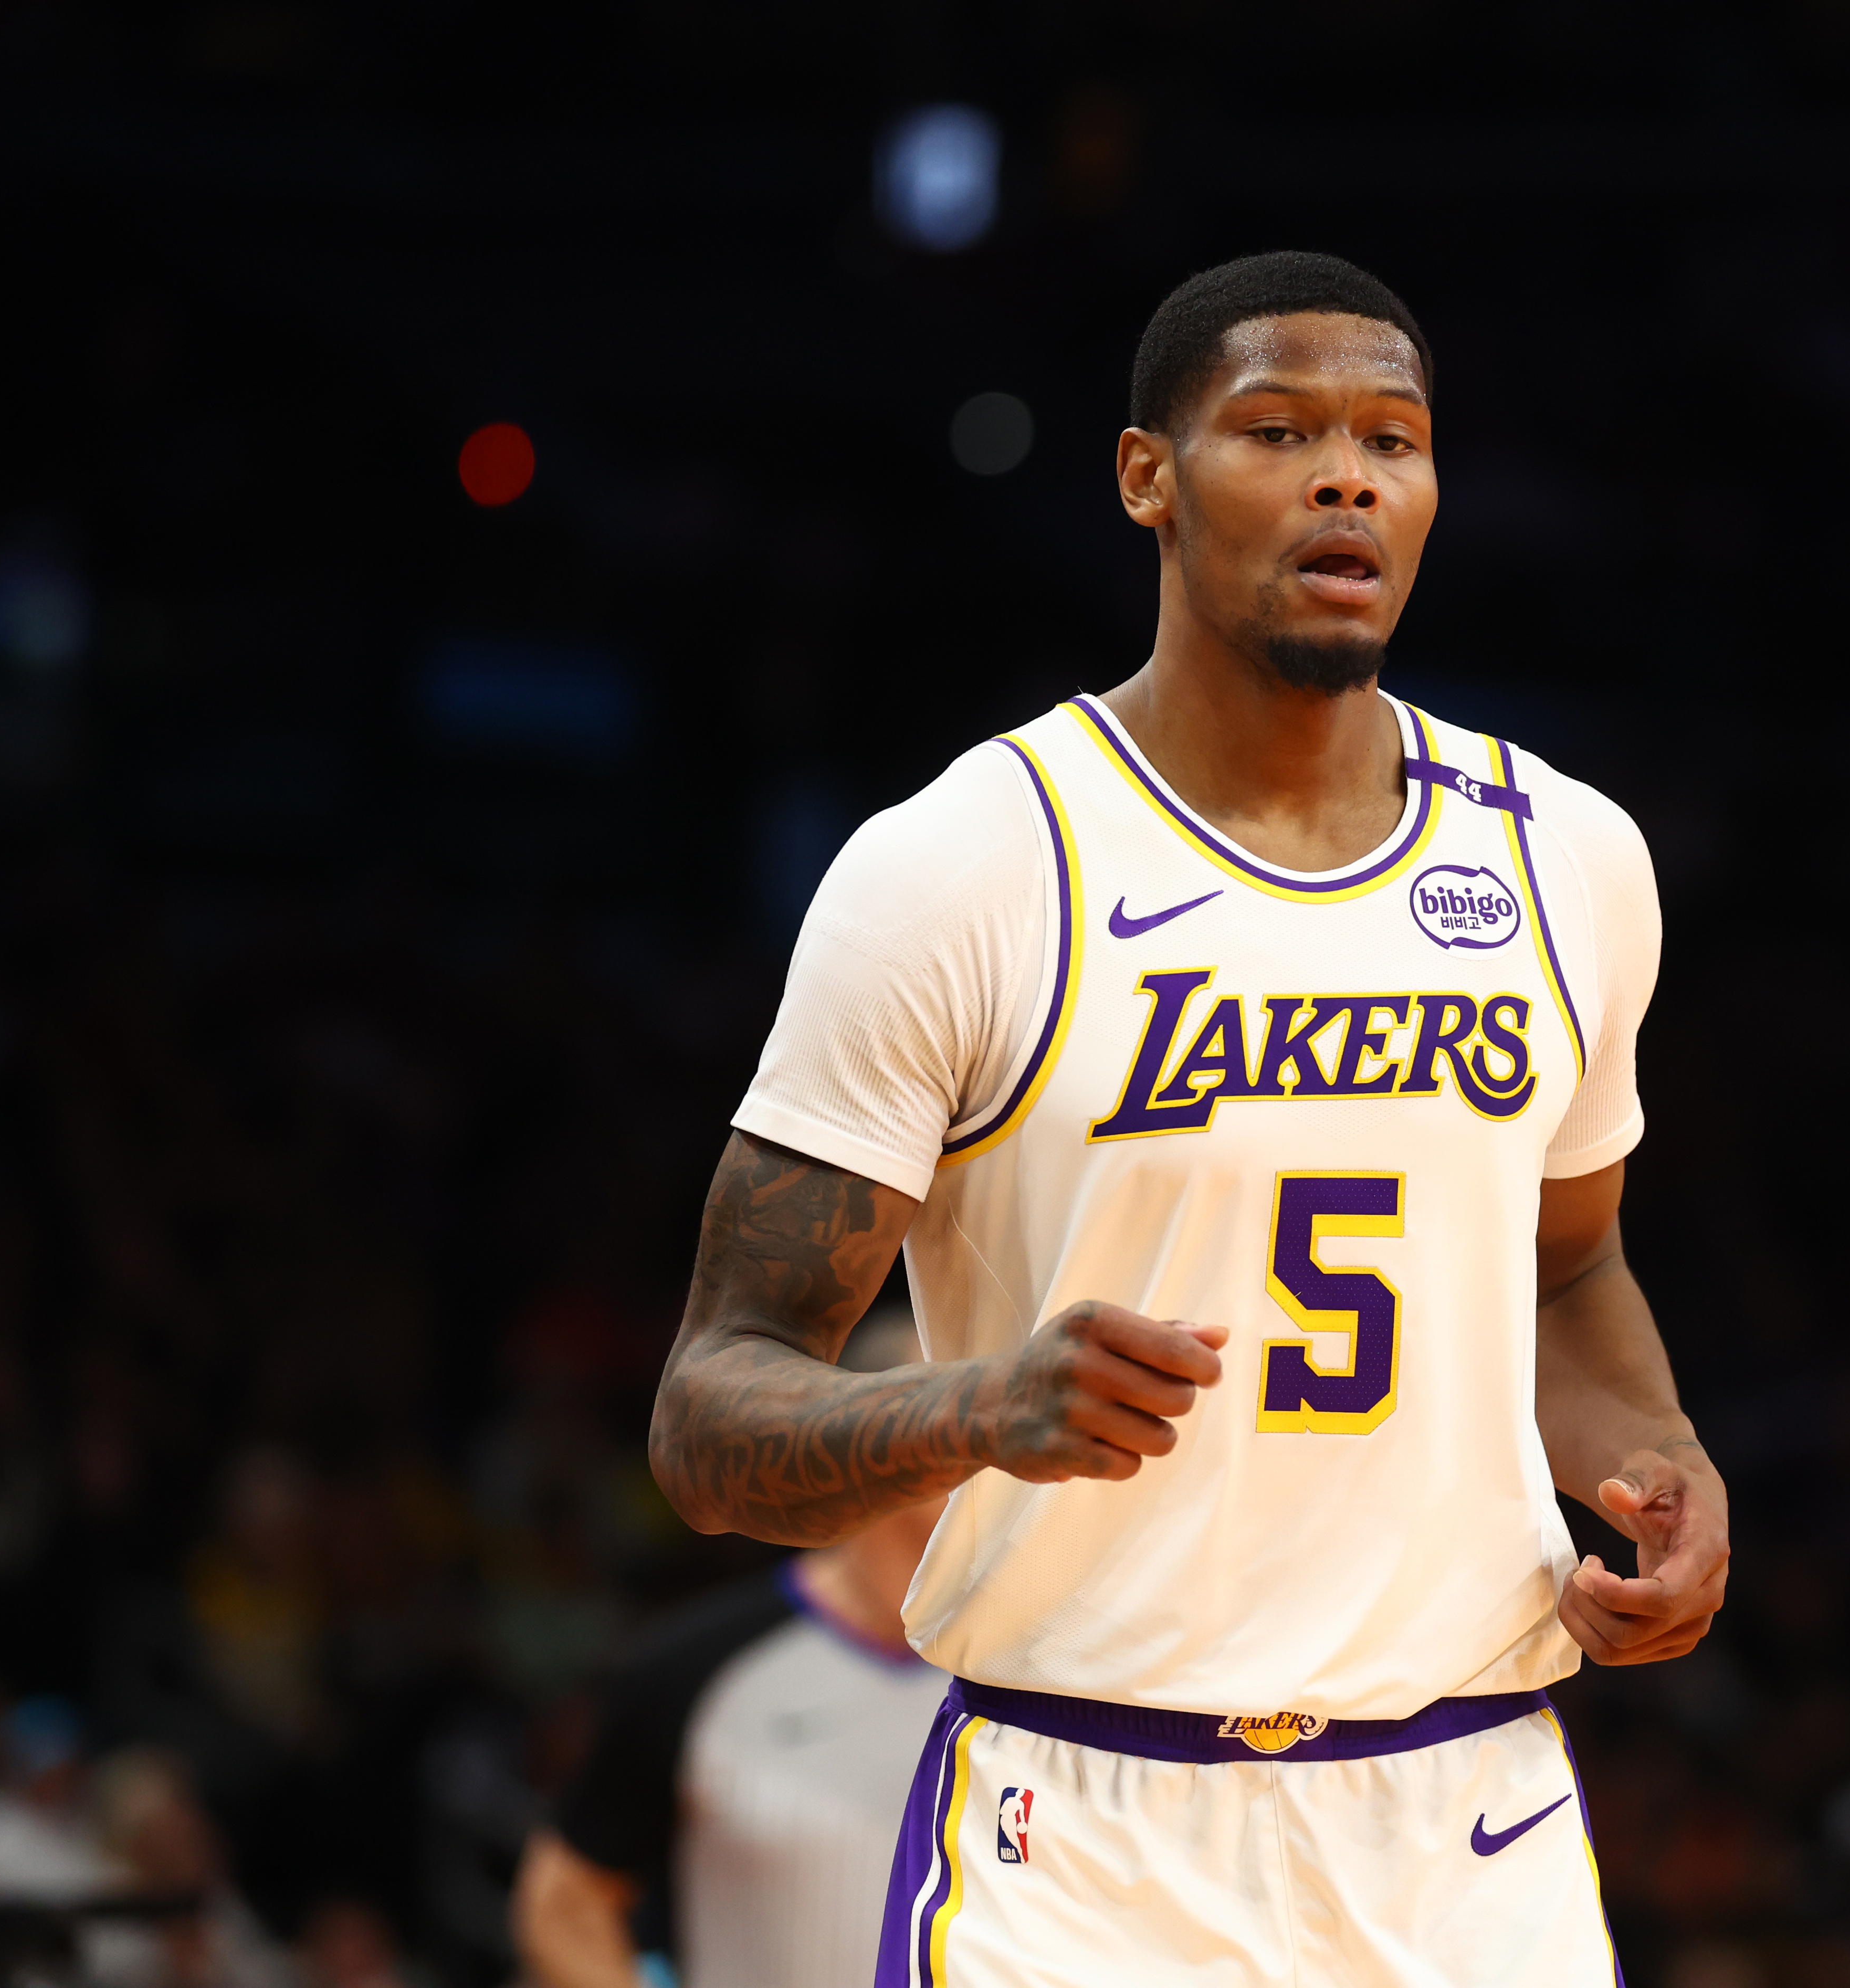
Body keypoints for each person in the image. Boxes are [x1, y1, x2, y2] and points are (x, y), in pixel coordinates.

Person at [648, 249, 1729, 1985]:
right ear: (1146, 475)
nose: (1346, 476)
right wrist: (976, 1402)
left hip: (1465, 1823)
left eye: (1395, 438)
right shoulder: (965, 866)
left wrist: (1659, 1463)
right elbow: (709, 1419)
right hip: (1084, 1828)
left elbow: (1561, 1266)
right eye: (1278, 429)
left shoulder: (1566, 857)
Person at [516, 1314, 945, 1988]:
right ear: (863, 1436)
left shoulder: (1056, 1672)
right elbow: (561, 1902)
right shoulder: (697, 1669)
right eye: (961, 1402)